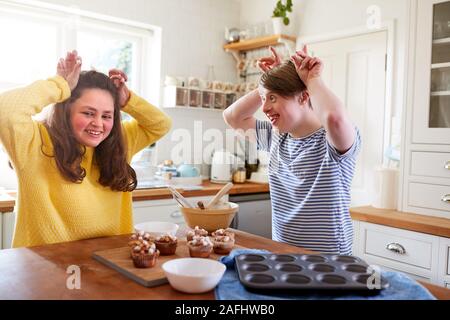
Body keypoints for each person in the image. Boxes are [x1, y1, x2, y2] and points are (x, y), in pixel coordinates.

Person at [0, 50, 172, 248]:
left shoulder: (119, 143)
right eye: (89, 113)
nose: (98, 124)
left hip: (110, 264)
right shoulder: (35, 142)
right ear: (66, 110)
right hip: (46, 270)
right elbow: (4, 109)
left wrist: (128, 101)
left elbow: (161, 124)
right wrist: (59, 85)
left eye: (107, 116)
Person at [223, 46, 361, 255]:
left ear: (304, 97)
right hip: (283, 256)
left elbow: (335, 117)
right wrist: (268, 82)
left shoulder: (331, 142)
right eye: (263, 99)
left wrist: (313, 79)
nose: (265, 108)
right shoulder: (276, 137)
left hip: (330, 262)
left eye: (273, 98)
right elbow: (233, 117)